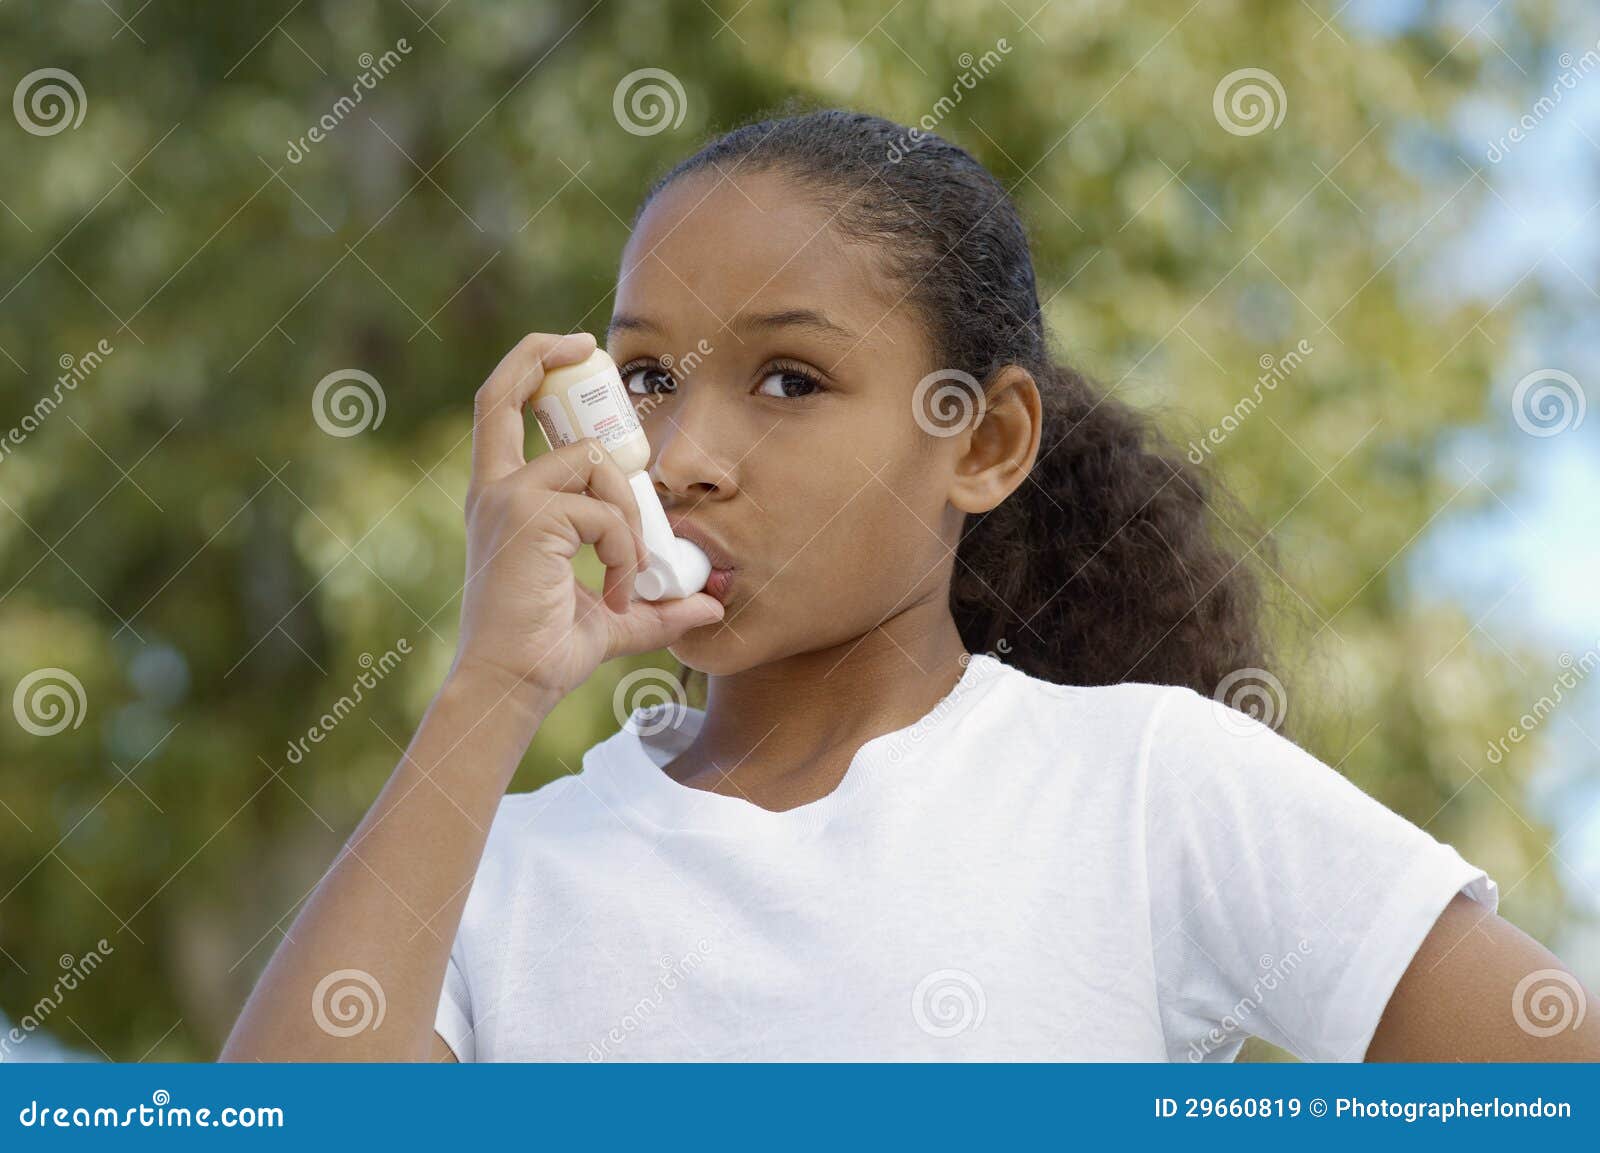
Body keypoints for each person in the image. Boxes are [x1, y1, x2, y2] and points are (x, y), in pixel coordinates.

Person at [222, 110, 1598, 1062]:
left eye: (791, 379)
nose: (685, 453)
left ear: (985, 440)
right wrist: (491, 685)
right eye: (644, 377)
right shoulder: (495, 869)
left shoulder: (1147, 787)